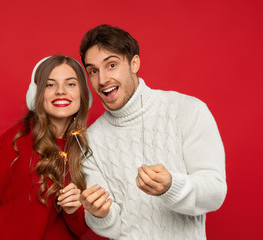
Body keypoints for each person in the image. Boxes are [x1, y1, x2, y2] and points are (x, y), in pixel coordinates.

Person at [78, 24, 227, 239]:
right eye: (93, 71)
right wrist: (100, 214)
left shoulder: (188, 110)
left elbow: (214, 194)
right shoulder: (90, 141)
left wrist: (172, 186)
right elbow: (113, 228)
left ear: (134, 63)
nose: (102, 80)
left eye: (111, 65)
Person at [0, 55, 95, 239]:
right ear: (36, 94)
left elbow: (80, 229)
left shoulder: (85, 148)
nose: (60, 91)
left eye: (71, 84)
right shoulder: (15, 143)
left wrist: (73, 210)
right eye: (50, 84)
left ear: (83, 94)